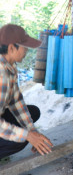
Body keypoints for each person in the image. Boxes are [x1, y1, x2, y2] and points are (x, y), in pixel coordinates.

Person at [0, 24, 53, 160]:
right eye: (25, 48)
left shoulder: (9, 66)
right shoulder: (1, 76)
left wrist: (33, 132)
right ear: (11, 48)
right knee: (20, 139)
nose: (27, 52)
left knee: (33, 112)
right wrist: (28, 136)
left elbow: (16, 101)